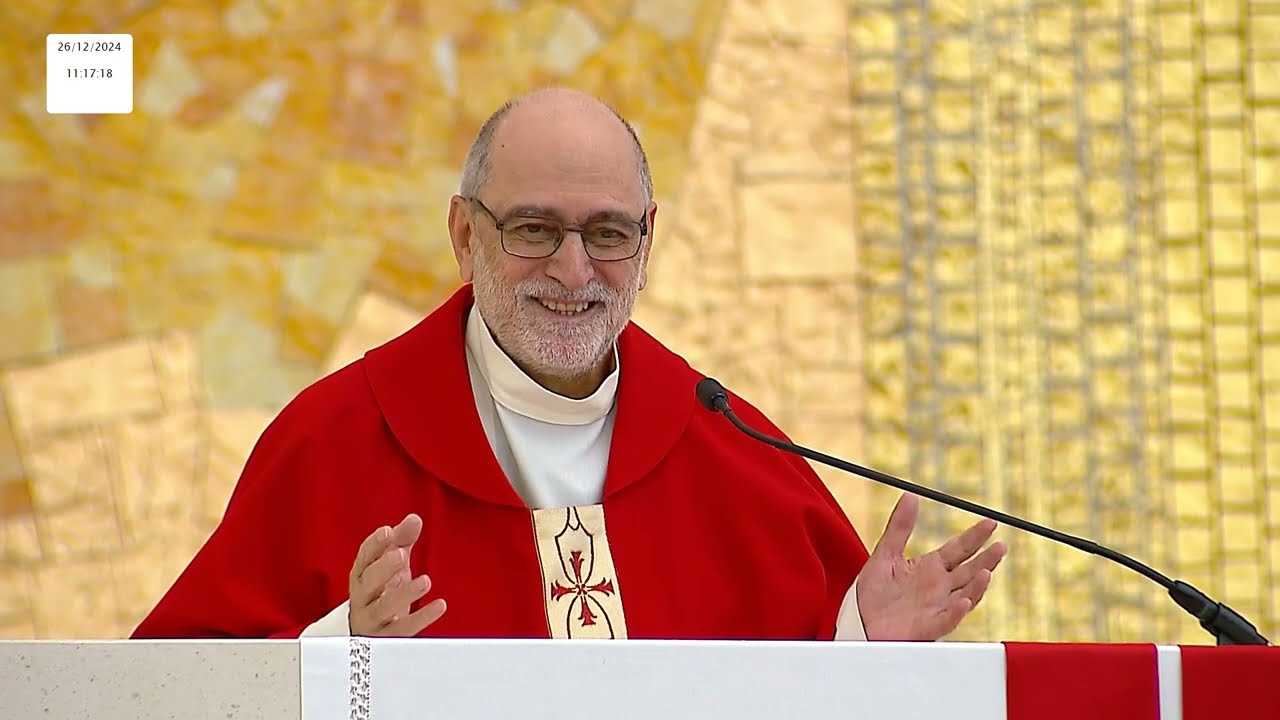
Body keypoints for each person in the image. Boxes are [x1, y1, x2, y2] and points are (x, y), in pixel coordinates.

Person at [131, 88, 1006, 642]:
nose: (574, 271)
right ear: (464, 236)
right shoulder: (333, 441)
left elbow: (791, 684)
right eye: (535, 229)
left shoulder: (730, 450)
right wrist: (338, 653)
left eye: (608, 233)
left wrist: (861, 643)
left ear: (648, 240)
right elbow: (166, 696)